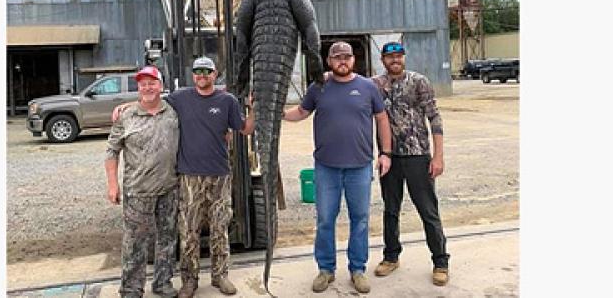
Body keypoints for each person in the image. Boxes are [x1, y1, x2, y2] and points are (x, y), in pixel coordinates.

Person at [112, 56, 255, 298]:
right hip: (189, 178)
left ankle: (221, 276)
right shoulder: (180, 98)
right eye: (198, 71)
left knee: (221, 228)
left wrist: (255, 109)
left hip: (220, 175)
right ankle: (189, 280)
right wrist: (127, 106)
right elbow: (151, 99)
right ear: (193, 75)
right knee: (189, 231)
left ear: (215, 74)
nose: (202, 75)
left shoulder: (227, 101)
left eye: (207, 71)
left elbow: (245, 129)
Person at [282, 41, 392, 294]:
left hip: (360, 167)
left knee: (360, 220)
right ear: (329, 61)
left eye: (347, 57)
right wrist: (278, 113)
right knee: (325, 220)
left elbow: (382, 119)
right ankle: (326, 269)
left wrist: (386, 153)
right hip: (326, 168)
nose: (342, 61)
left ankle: (357, 269)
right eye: (337, 57)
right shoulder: (318, 86)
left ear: (354, 59)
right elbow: (301, 112)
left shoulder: (368, 87)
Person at [371, 41, 451, 286]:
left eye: (398, 56)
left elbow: (434, 118)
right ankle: (391, 257)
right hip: (389, 158)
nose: (395, 60)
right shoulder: (375, 85)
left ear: (404, 58)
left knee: (428, 210)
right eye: (389, 57)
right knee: (391, 209)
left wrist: (438, 156)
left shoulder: (419, 82)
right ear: (383, 60)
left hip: (418, 156)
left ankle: (440, 262)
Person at [105, 66, 180, 298]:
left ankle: (163, 283)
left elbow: (203, 96)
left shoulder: (174, 112)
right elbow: (111, 151)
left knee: (167, 239)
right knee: (135, 243)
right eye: (143, 84)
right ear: (138, 88)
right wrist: (112, 185)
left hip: (169, 188)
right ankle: (131, 288)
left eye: (152, 82)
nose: (147, 87)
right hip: (137, 192)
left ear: (161, 86)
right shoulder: (126, 117)